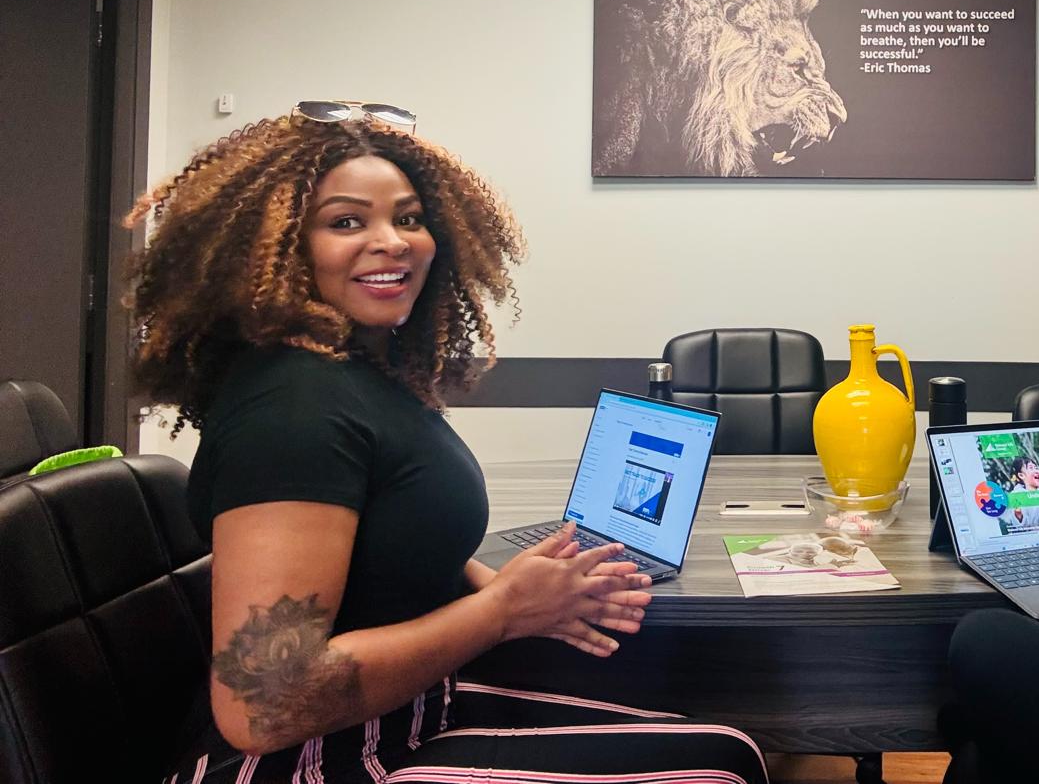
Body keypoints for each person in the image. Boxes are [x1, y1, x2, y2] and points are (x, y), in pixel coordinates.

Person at [127, 104, 766, 784]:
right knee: (721, 766)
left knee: (715, 735)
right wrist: (503, 610)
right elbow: (264, 708)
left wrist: (522, 592)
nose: (393, 242)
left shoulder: (359, 377)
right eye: (347, 222)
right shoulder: (293, 408)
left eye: (408, 218)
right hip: (312, 766)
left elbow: (395, 545)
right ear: (276, 246)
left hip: (405, 720)